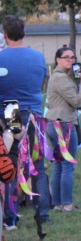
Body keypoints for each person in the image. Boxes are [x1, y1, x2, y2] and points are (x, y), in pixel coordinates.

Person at [0, 15, 51, 228]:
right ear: (24, 32)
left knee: (10, 163)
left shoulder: (1, 58)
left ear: (5, 34)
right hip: (34, 113)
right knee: (37, 164)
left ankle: (10, 216)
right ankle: (43, 214)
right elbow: (41, 83)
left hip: (10, 110)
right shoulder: (38, 57)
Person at [47, 46, 81, 213]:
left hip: (55, 123)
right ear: (57, 59)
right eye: (66, 57)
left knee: (59, 165)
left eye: (73, 57)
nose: (70, 60)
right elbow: (77, 102)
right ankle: (67, 204)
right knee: (67, 165)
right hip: (63, 124)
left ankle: (58, 203)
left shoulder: (59, 77)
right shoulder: (61, 79)